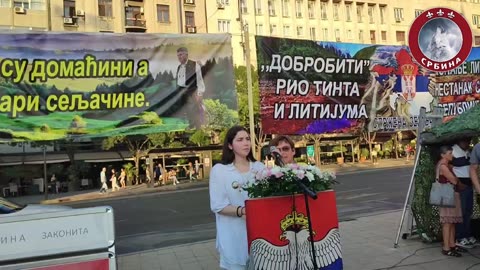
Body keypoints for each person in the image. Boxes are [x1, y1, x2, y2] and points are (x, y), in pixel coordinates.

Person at [209, 125, 265, 270]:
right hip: (233, 235)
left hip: (261, 235)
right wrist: (242, 211)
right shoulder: (220, 171)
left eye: (247, 139)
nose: (246, 143)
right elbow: (218, 205)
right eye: (240, 140)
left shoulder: (259, 167)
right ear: (230, 145)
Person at [436, 145, 463, 257]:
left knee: (451, 222)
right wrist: (456, 175)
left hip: (449, 195)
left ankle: (451, 245)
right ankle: (446, 247)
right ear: (443, 155)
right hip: (447, 195)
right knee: (447, 222)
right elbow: (454, 180)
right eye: (450, 153)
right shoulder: (443, 166)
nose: (452, 155)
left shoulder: (446, 165)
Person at [452, 139, 477, 248]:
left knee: (468, 211)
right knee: (460, 212)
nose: (468, 143)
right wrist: (457, 182)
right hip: (460, 184)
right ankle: (460, 237)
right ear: (459, 141)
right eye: (466, 141)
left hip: (469, 183)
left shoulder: (468, 151)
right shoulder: (453, 150)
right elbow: (448, 166)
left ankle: (467, 234)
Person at [175, 47, 206, 129]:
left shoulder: (194, 64)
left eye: (181, 54)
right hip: (182, 91)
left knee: (193, 109)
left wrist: (200, 93)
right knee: (186, 109)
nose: (179, 57)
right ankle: (191, 125)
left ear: (186, 54)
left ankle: (196, 127)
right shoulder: (179, 67)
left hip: (192, 90)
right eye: (178, 55)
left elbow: (199, 79)